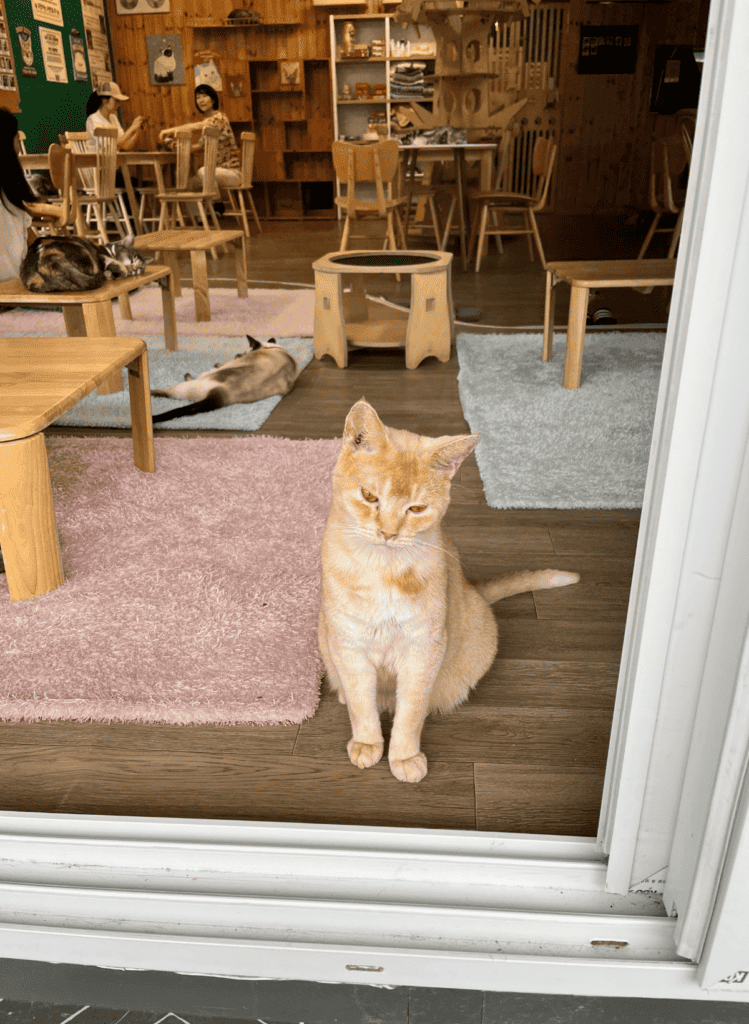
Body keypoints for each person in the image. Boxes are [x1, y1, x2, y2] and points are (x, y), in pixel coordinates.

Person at [0, 107, 63, 283]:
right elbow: (31, 242)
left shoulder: (10, 193)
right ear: (12, 142)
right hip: (15, 285)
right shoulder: (11, 192)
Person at [158, 84, 240, 213]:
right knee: (187, 184)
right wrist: (175, 147)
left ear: (213, 99)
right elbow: (198, 147)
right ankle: (199, 219)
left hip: (232, 172)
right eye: (198, 97)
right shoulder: (208, 123)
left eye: (204, 96)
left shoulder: (219, 118)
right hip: (215, 172)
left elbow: (197, 126)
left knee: (204, 171)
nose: (201, 100)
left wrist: (171, 130)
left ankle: (217, 204)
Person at [85, 81, 145, 152]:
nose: (118, 104)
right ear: (104, 100)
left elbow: (126, 145)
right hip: (98, 162)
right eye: (116, 100)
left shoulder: (113, 118)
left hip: (114, 161)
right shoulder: (93, 120)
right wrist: (132, 128)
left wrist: (137, 129)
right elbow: (111, 146)